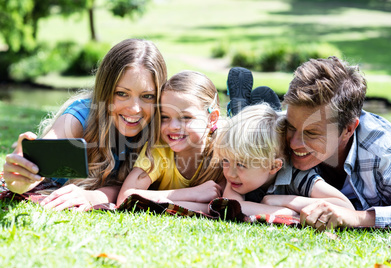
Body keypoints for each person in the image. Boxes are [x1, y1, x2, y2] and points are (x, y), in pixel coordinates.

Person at [228, 56, 391, 229]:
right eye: (290, 126)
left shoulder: (385, 150)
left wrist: (357, 217)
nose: (294, 143)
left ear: (348, 129)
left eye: (311, 133)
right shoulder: (282, 130)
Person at [2, 38, 168, 211]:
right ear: (104, 91)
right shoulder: (80, 116)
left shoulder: (161, 129)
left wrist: (94, 196)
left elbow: (133, 189)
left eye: (147, 96)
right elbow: (44, 154)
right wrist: (21, 176)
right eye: (121, 93)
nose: (134, 109)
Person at [215, 103, 354, 219]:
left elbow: (345, 207)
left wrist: (285, 201)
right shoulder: (236, 178)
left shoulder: (297, 176)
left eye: (241, 164)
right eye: (226, 160)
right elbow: (232, 207)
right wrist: (287, 212)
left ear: (273, 166)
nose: (230, 173)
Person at [116, 71, 225, 212]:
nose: (173, 126)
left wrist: (165, 202)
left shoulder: (222, 151)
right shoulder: (159, 150)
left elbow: (222, 207)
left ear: (212, 119)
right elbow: (125, 197)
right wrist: (193, 193)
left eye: (186, 117)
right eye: (165, 117)